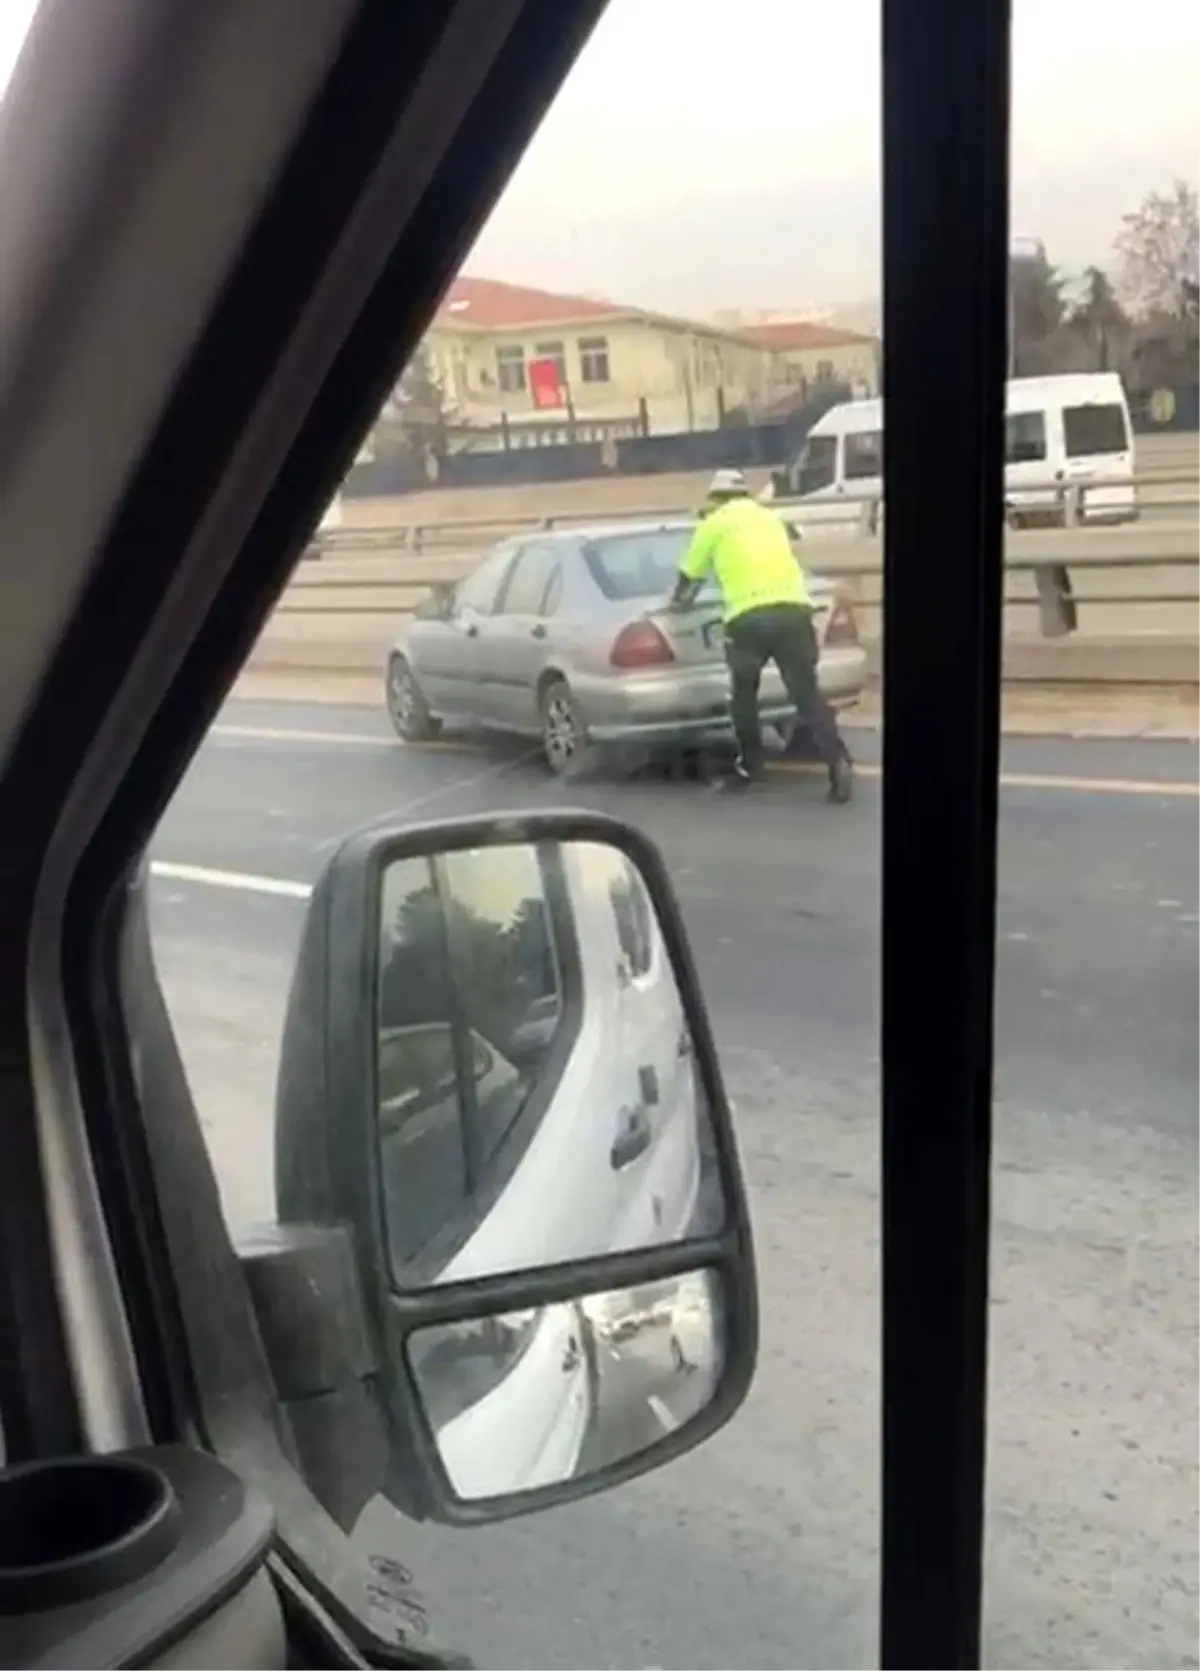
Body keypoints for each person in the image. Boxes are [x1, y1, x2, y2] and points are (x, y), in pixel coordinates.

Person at [669, 468, 854, 801]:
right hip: (794, 613)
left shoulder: (713, 524)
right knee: (807, 694)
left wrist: (678, 605)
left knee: (743, 695)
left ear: (715, 498)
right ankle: (837, 759)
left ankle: (751, 768)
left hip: (748, 619)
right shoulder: (771, 519)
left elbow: (688, 580)